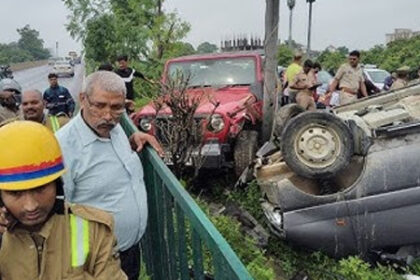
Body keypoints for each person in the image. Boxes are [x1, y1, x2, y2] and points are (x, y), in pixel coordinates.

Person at [56, 71, 163, 280]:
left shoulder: (114, 128)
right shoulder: (63, 147)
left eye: (116, 108)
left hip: (129, 251)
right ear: (83, 100)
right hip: (97, 263)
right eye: (99, 105)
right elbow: (57, 213)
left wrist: (134, 139)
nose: (107, 115)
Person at [0, 121, 127, 279]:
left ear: (58, 185)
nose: (30, 206)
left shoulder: (95, 230)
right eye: (16, 194)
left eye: (41, 189)